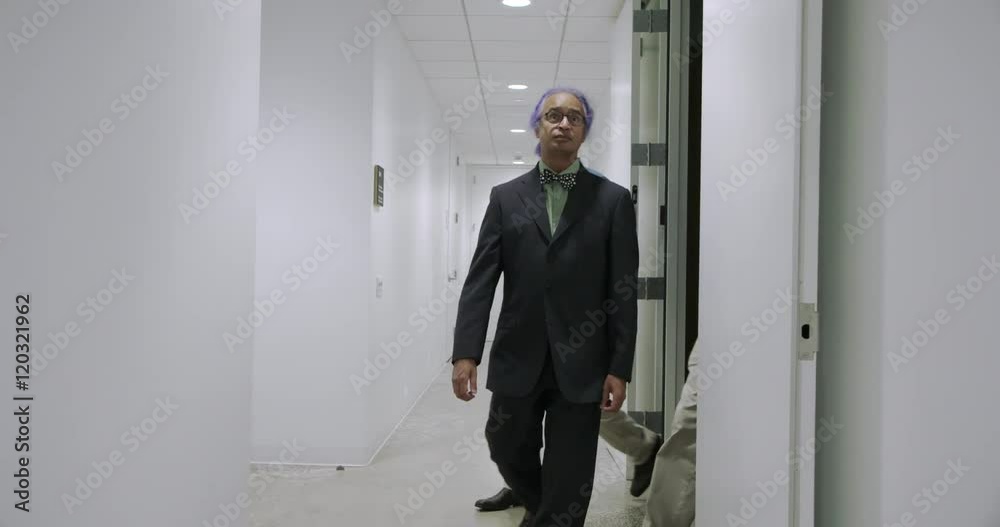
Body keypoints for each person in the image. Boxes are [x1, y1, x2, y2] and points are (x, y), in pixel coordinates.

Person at [451, 86, 639, 527]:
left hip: (584, 358)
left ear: (584, 131)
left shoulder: (612, 200)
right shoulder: (505, 197)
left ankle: (554, 514)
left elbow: (623, 289)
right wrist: (466, 352)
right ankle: (543, 506)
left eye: (575, 117)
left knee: (571, 468)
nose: (564, 124)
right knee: (504, 443)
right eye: (554, 115)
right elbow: (481, 280)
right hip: (519, 352)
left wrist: (620, 365)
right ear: (538, 127)